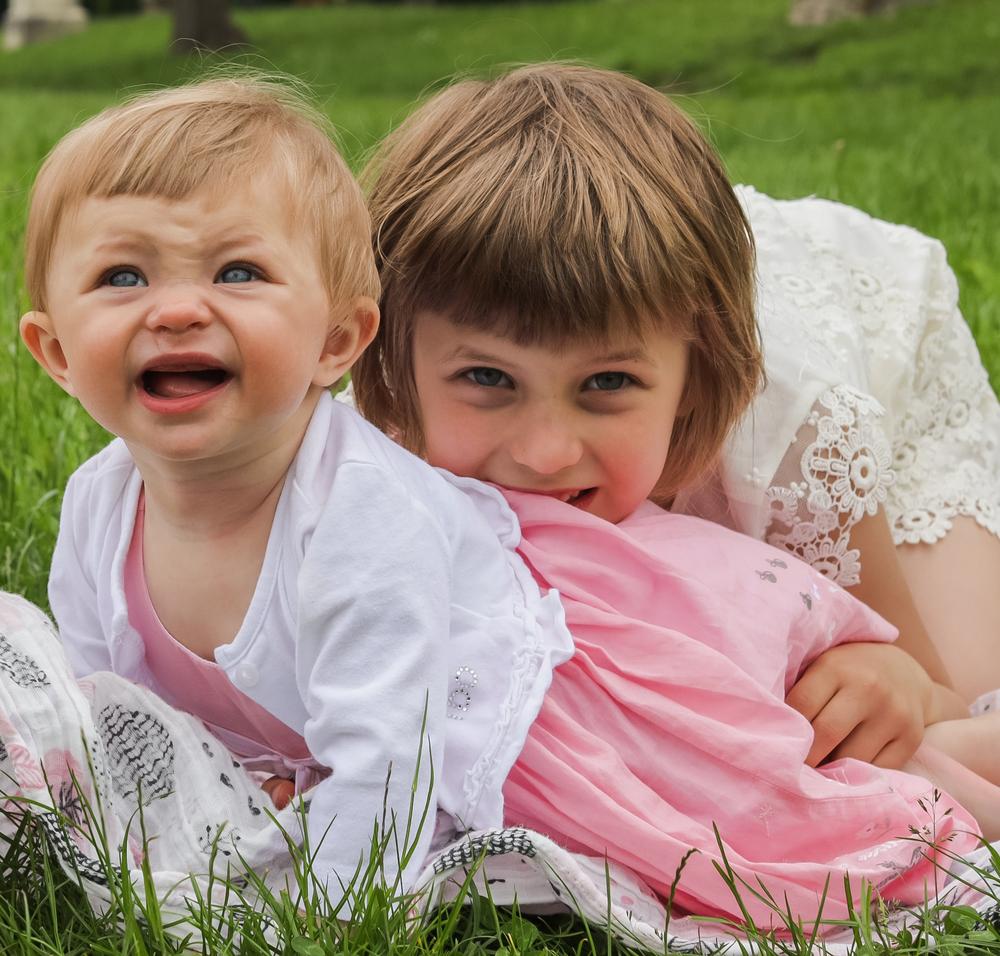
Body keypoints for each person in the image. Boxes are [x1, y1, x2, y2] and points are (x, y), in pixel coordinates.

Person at [352, 62, 1000, 924]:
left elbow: (935, 691)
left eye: (606, 384)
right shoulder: (383, 441)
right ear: (393, 356)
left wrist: (893, 676)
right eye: (487, 377)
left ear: (695, 378)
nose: (545, 452)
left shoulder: (795, 445)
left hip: (870, 334)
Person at [16, 75, 575, 908]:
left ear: (337, 341)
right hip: (313, 764)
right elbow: (115, 725)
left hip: (482, 740)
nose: (174, 311)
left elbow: (393, 780)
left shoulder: (362, 519)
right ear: (56, 352)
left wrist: (304, 917)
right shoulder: (101, 508)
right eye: (123, 277)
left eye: (238, 271)